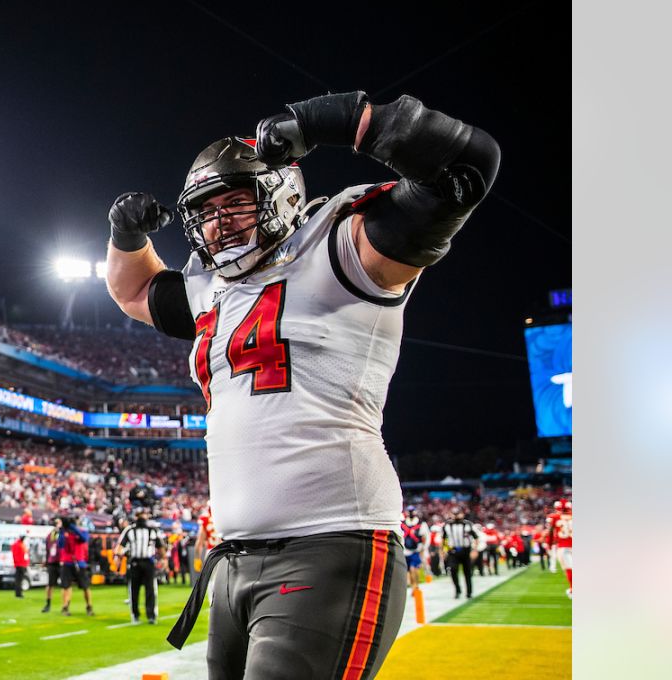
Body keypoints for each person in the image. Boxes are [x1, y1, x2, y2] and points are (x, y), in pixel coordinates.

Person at [105, 90, 499, 679]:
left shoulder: (340, 245)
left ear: (282, 192)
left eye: (234, 203)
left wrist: (335, 119)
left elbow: (467, 167)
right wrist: (126, 237)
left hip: (333, 543)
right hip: (234, 561)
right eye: (207, 212)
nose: (219, 224)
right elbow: (134, 292)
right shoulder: (211, 288)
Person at [118, 510, 165, 624]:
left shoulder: (152, 530)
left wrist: (164, 558)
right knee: (134, 590)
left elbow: (160, 546)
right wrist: (120, 555)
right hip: (135, 562)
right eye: (141, 515)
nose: (143, 517)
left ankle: (151, 615)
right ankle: (135, 615)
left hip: (148, 562)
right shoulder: (129, 530)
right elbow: (120, 547)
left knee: (150, 589)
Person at [58, 516, 94, 616]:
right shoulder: (65, 534)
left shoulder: (82, 531)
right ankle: (65, 607)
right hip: (67, 562)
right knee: (66, 586)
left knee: (85, 587)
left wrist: (74, 528)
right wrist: (62, 532)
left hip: (80, 563)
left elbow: (84, 538)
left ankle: (89, 606)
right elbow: (60, 545)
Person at [443, 508, 481, 599]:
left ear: (462, 514)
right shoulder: (447, 525)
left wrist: (474, 550)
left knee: (467, 572)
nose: (456, 516)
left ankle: (469, 592)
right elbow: (443, 539)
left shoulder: (467, 524)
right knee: (453, 570)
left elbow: (476, 537)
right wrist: (443, 551)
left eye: (458, 513)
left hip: (466, 551)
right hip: (453, 551)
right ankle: (457, 590)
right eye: (454, 513)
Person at [400, 506, 428, 592]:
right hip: (405, 550)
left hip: (416, 550)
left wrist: (422, 550)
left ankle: (416, 585)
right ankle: (413, 585)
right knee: (408, 570)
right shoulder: (403, 524)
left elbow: (424, 537)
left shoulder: (420, 523)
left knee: (414, 568)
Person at [550, 500, 574, 598]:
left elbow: (551, 533)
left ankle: (573, 589)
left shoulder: (555, 517)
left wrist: (549, 544)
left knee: (569, 569)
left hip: (563, 547)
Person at [42, 519, 62, 613]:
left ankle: (65, 605)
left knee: (66, 586)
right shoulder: (50, 535)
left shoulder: (63, 534)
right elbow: (47, 549)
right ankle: (48, 604)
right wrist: (46, 560)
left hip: (62, 561)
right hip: (52, 562)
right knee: (50, 584)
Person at [12, 533, 30, 598]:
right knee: (19, 580)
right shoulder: (17, 545)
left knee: (20, 579)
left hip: (22, 564)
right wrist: (18, 563)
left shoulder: (21, 544)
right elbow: (16, 555)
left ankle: (19, 593)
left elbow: (25, 554)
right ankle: (18, 593)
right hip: (20, 565)